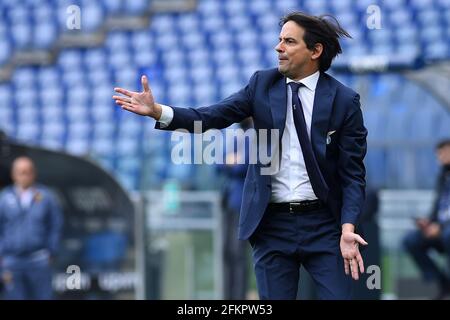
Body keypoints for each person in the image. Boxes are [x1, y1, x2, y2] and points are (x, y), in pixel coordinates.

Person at [113, 11, 368, 299]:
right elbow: (209, 117)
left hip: (326, 227)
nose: (278, 47)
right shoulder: (262, 85)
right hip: (272, 227)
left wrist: (348, 228)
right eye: (279, 40)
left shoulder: (345, 101)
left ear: (315, 51)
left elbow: (353, 175)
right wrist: (158, 111)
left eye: (289, 41)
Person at [0, 157, 63, 299]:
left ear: (34, 173)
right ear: (13, 174)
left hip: (39, 260)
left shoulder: (46, 197)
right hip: (12, 261)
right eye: (21, 172)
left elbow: (55, 225)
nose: (24, 176)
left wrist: (51, 251)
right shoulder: (4, 198)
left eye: (28, 172)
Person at [403, 139, 450, 300]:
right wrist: (429, 222)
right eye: (438, 154)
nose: (440, 157)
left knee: (448, 235)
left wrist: (442, 227)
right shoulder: (443, 175)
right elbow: (440, 205)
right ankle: (442, 283)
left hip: (446, 230)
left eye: (444, 152)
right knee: (410, 240)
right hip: (440, 227)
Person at [217, 119, 252, 300]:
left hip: (242, 203)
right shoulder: (234, 136)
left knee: (237, 253)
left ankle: (238, 298)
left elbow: (243, 166)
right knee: (227, 252)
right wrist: (229, 162)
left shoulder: (254, 136)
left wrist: (231, 162)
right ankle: (227, 297)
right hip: (229, 201)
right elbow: (217, 163)